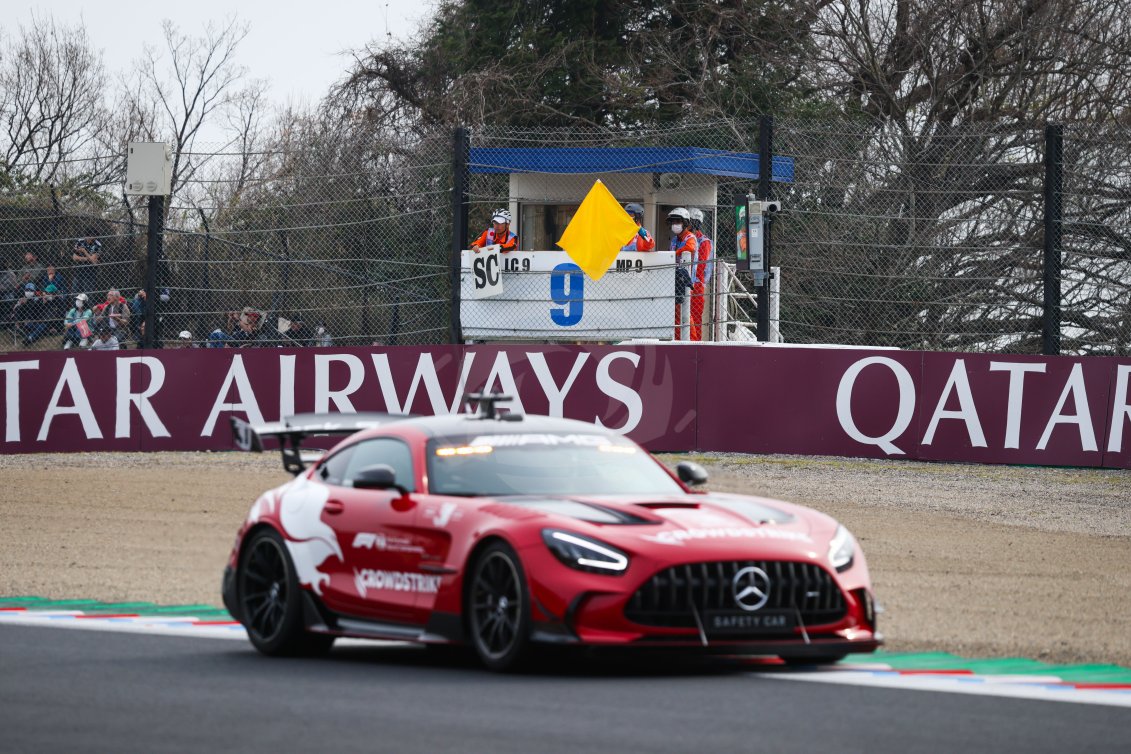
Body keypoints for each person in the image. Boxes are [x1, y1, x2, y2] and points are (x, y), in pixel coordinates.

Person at [667, 207, 698, 340]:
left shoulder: (690, 237)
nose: (675, 224)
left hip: (686, 280)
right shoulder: (675, 240)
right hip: (675, 279)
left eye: (678, 221)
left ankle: (692, 341)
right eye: (673, 222)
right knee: (675, 313)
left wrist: (675, 253)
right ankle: (677, 340)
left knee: (686, 313)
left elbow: (690, 248)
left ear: (685, 223)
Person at [688, 208, 714, 342]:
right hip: (684, 282)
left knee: (695, 317)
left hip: (696, 284)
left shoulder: (704, 241)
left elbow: (701, 266)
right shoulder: (684, 238)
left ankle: (695, 344)